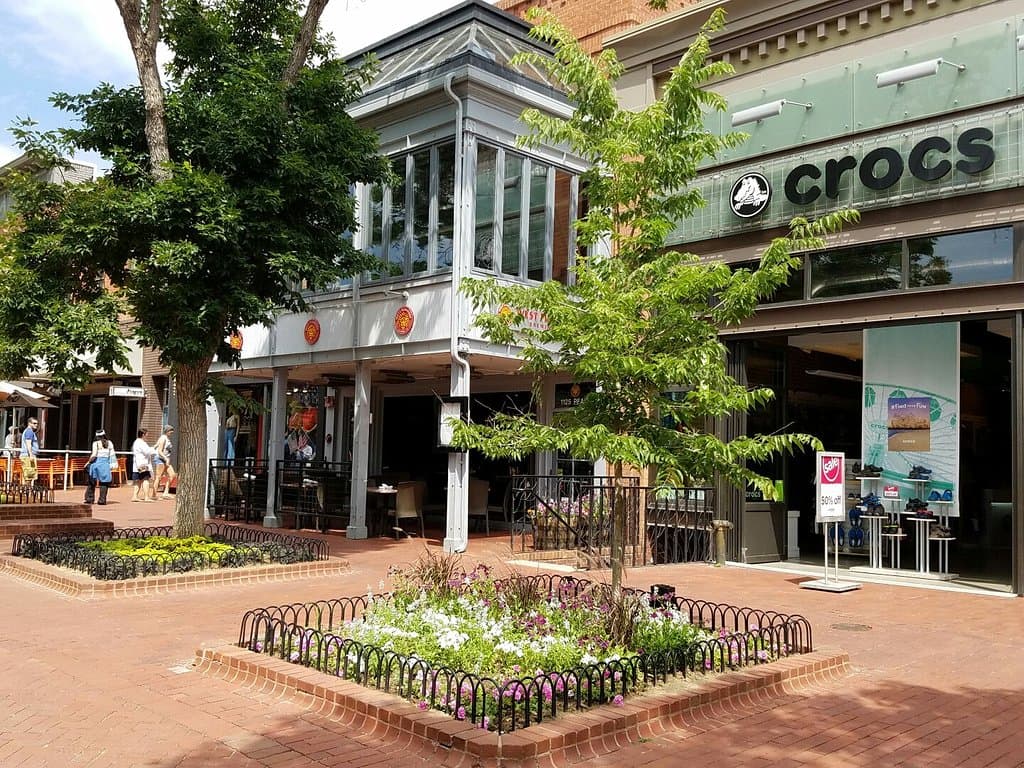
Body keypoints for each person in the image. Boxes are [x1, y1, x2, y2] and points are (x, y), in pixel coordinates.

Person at [84, 430, 118, 505]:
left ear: (96, 436)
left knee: (91, 482)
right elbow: (112, 455)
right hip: (105, 464)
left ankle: (90, 498)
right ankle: (102, 500)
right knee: (104, 483)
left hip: (96, 463)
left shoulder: (95, 443)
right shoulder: (110, 443)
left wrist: (87, 463)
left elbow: (94, 455)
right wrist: (113, 464)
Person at [151, 425, 177, 500]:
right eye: (170, 431)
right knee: (158, 477)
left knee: (172, 475)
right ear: (167, 431)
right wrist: (165, 458)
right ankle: (154, 495)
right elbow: (159, 450)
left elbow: (155, 446)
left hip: (166, 459)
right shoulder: (163, 438)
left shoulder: (166, 438)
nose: (171, 433)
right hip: (160, 459)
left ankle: (165, 492)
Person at [131, 428, 157, 502]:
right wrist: (154, 449)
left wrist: (153, 447)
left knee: (138, 480)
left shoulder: (136, 442)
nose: (147, 436)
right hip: (143, 464)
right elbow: (147, 451)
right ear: (143, 435)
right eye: (147, 434)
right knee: (146, 479)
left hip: (138, 464)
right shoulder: (141, 443)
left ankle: (135, 496)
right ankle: (146, 497)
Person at [20, 416, 40, 485]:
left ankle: (25, 492)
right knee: (29, 475)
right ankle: (25, 493)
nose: (36, 425)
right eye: (34, 423)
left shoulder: (29, 431)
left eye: (37, 423)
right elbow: (28, 444)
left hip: (26, 455)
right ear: (29, 423)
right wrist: (31, 455)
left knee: (28, 476)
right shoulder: (29, 431)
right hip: (28, 456)